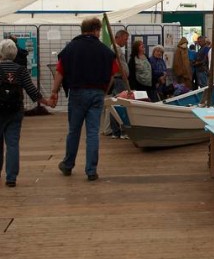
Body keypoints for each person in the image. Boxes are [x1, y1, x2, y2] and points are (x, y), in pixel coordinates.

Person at [51, 17, 118, 182]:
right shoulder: (106, 51)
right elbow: (112, 75)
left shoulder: (70, 48)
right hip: (96, 94)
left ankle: (68, 165)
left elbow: (60, 72)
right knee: (93, 133)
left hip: (77, 94)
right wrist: (103, 91)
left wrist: (54, 92)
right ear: (96, 30)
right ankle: (91, 170)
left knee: (74, 131)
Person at [0, 39, 52, 187]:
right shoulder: (20, 69)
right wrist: (46, 102)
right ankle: (11, 178)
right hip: (15, 110)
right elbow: (32, 91)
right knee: (12, 144)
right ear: (15, 54)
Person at [109, 29, 130, 139]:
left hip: (120, 78)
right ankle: (121, 131)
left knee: (116, 103)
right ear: (119, 37)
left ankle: (116, 131)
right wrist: (124, 74)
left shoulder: (116, 48)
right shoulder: (115, 48)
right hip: (120, 79)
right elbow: (117, 63)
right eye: (125, 39)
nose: (126, 42)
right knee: (121, 104)